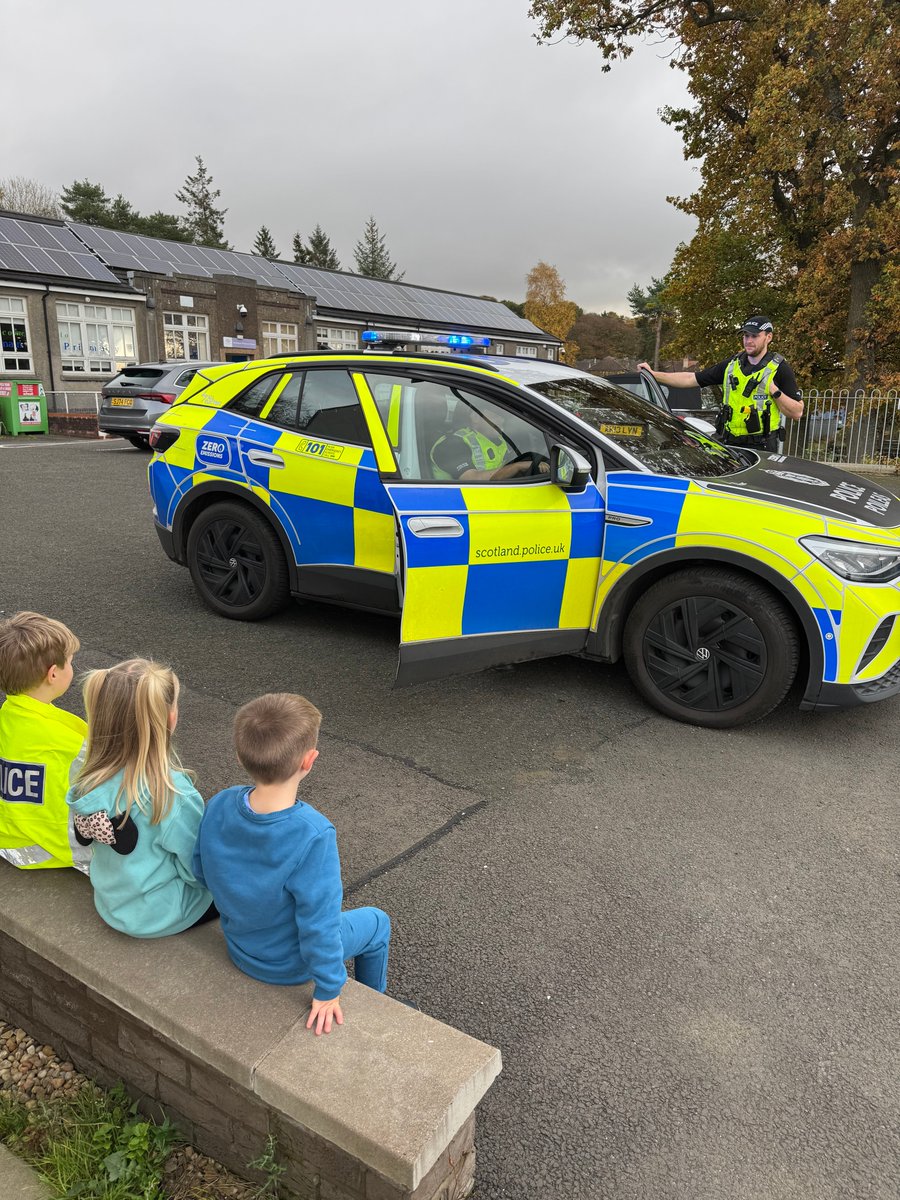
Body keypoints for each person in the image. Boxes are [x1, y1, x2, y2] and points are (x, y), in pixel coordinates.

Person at [192, 692, 391, 1036]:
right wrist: (329, 988)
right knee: (377, 923)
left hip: (242, 949)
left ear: (240, 757)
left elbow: (200, 869)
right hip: (289, 966)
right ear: (309, 761)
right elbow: (319, 923)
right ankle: (379, 1002)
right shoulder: (313, 834)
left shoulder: (220, 804)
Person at [66, 659, 216, 937]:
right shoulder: (172, 794)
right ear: (170, 718)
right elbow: (196, 868)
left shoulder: (86, 776)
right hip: (159, 914)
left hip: (112, 902)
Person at [0, 611, 90, 872]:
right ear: (53, 674)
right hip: (53, 849)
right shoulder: (69, 742)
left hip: (6, 839)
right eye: (70, 662)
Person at [639, 315, 804, 451]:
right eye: (746, 335)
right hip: (729, 443)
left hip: (762, 446)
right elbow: (691, 378)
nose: (748, 340)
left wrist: (774, 391)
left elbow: (797, 412)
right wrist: (654, 374)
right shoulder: (732, 365)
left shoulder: (779, 368)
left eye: (755, 336)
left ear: (768, 337)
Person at [430, 401, 550, 481]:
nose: (501, 421)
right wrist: (518, 466)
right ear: (475, 417)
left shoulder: (500, 442)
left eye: (502, 417)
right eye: (495, 416)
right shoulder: (452, 444)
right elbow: (472, 480)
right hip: (457, 505)